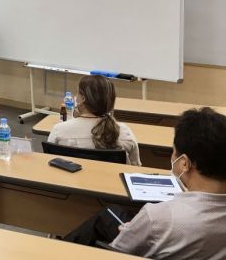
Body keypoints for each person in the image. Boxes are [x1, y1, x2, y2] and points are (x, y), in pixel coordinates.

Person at [65, 107, 226, 259]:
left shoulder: (157, 217)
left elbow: (116, 251)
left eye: (173, 151)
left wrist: (135, 229)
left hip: (151, 237)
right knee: (112, 213)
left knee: (105, 218)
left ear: (184, 163)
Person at [48, 75, 141, 165]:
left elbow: (48, 162)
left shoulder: (59, 130)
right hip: (110, 176)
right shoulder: (124, 132)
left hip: (70, 176)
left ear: (83, 98)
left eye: (78, 93)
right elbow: (135, 167)